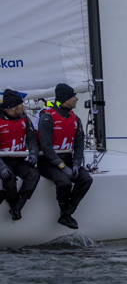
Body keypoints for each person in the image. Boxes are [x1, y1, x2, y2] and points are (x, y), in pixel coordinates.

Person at [37, 84, 91, 228]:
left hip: (67, 159)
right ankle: (64, 212)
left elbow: (79, 144)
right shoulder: (47, 117)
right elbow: (46, 147)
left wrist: (76, 164)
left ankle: (67, 214)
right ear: (66, 99)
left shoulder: (75, 119)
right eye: (74, 96)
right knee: (64, 182)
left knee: (86, 179)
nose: (77, 99)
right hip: (48, 162)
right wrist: (62, 166)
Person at [0, 88, 39, 221]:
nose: (23, 107)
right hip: (3, 161)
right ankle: (13, 206)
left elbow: (32, 138)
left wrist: (33, 153)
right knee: (9, 180)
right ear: (13, 108)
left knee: (34, 174)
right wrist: (1, 167)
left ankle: (18, 206)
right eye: (21, 105)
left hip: (19, 160)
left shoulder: (24, 118)